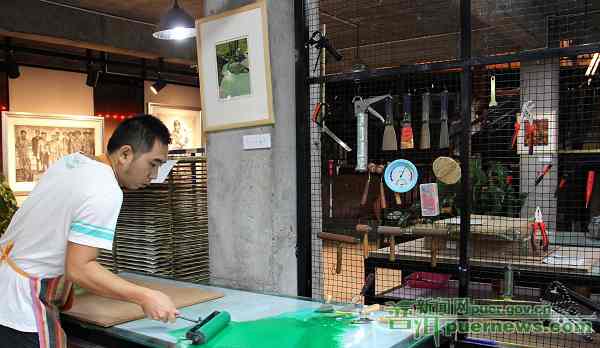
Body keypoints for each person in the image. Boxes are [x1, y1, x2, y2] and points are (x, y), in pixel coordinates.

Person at [0, 115, 178, 348]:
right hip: (21, 306)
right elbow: (79, 269)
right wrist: (146, 296)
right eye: (152, 164)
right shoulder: (105, 189)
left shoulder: (72, 162)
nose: (154, 176)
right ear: (125, 154)